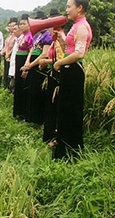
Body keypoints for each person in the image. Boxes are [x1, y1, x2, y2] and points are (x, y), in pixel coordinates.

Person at [52, 0, 93, 159]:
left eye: (69, 6)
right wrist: (61, 40)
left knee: (71, 110)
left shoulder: (82, 26)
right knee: (65, 109)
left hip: (74, 71)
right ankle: (63, 147)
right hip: (70, 70)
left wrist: (60, 62)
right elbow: (70, 48)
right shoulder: (76, 26)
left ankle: (71, 150)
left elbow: (79, 53)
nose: (67, 10)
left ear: (80, 8)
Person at [21, 11, 53, 126]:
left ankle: (38, 120)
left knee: (38, 93)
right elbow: (31, 49)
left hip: (40, 67)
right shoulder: (37, 35)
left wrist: (31, 64)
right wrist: (27, 62)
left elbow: (44, 54)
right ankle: (30, 117)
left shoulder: (48, 35)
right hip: (33, 65)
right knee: (31, 91)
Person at [39, 8, 66, 143]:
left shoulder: (60, 38)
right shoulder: (55, 39)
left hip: (58, 74)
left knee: (55, 105)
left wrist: (45, 61)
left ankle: (54, 137)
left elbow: (61, 60)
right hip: (52, 72)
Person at [13, 14, 33, 121]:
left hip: (24, 61)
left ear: (29, 24)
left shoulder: (30, 36)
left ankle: (23, 114)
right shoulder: (22, 36)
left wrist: (26, 63)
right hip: (18, 60)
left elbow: (31, 50)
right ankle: (18, 112)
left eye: (24, 24)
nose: (21, 26)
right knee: (18, 86)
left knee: (23, 87)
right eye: (20, 24)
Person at [1, 17, 18, 90]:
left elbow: (15, 47)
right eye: (10, 26)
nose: (11, 27)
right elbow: (6, 46)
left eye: (13, 26)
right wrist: (3, 51)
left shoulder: (16, 36)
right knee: (6, 72)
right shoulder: (9, 36)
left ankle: (10, 89)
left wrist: (8, 54)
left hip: (11, 57)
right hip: (6, 56)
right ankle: (6, 88)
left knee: (11, 73)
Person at [8, 23, 22, 94]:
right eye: (13, 29)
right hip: (13, 66)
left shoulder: (22, 39)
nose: (13, 31)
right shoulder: (17, 39)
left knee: (13, 86)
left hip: (17, 67)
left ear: (20, 30)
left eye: (15, 29)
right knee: (11, 85)